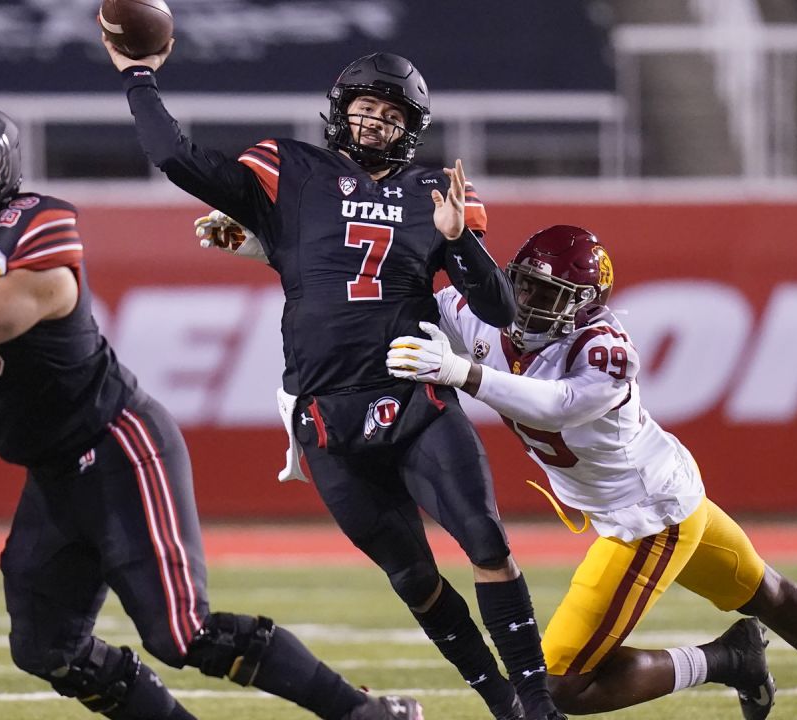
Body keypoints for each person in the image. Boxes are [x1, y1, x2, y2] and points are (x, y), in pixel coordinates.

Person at [0, 100, 420, 720]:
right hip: (56, 470)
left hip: (118, 445)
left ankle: (364, 712)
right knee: (46, 646)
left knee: (182, 634)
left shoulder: (39, 236)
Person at [103, 34, 561, 720]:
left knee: (487, 542)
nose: (375, 120)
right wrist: (138, 76)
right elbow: (175, 156)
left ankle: (536, 705)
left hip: (414, 400)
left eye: (392, 113)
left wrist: (459, 236)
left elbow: (498, 309)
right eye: (366, 106)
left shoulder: (435, 191)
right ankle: (501, 701)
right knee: (413, 578)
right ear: (340, 110)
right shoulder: (291, 171)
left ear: (412, 129)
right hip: (325, 415)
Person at [384, 224, 797, 719]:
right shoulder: (471, 308)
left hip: (648, 515)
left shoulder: (604, 347)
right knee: (768, 594)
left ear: (586, 305)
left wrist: (462, 371)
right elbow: (395, 331)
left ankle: (726, 660)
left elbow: (558, 405)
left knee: (557, 685)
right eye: (523, 284)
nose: (528, 302)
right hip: (659, 492)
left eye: (548, 294)